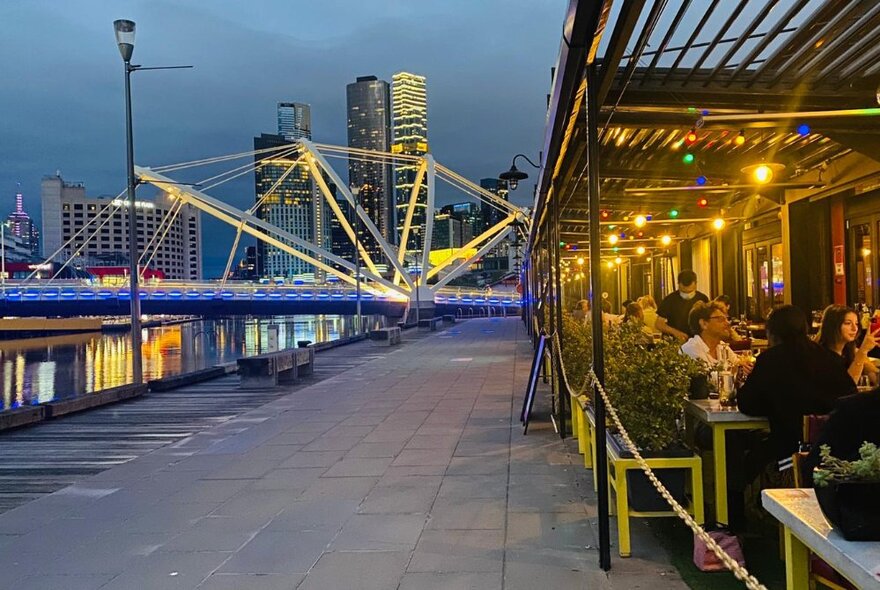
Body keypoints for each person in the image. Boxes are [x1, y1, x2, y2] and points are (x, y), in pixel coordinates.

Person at [738, 305, 857, 474]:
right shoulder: (828, 357)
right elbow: (850, 397)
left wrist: (774, 403)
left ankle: (739, 498)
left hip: (787, 450)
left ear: (772, 332)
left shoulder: (770, 360)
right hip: (832, 450)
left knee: (748, 457)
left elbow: (747, 404)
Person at [815, 304, 880, 385]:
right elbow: (846, 387)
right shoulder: (819, 354)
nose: (854, 328)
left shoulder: (852, 350)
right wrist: (863, 350)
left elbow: (875, 377)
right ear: (832, 325)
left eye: (856, 324)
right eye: (848, 323)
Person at [680, 301, 751, 376]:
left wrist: (745, 368)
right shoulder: (691, 349)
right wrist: (736, 370)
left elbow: (738, 365)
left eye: (726, 319)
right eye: (721, 319)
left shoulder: (721, 346)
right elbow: (708, 381)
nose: (727, 323)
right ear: (704, 324)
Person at [656, 270, 709, 341]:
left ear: (696, 284)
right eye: (683, 291)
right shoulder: (669, 300)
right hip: (675, 342)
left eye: (690, 291)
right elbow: (659, 324)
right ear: (678, 284)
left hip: (697, 341)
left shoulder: (702, 299)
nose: (687, 295)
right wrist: (675, 332)